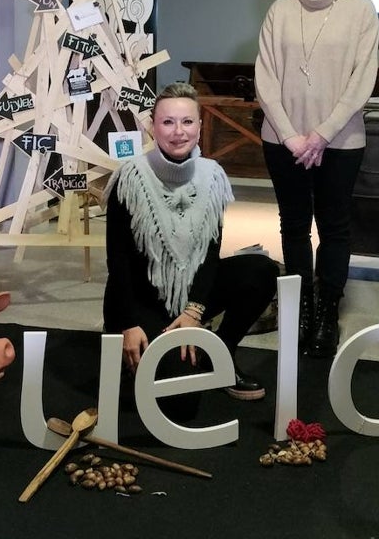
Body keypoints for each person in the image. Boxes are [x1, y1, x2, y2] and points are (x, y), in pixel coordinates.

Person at [103, 82, 279, 415]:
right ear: (153, 126)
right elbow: (118, 261)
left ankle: (220, 353)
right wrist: (128, 324)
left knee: (261, 270)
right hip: (140, 303)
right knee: (181, 405)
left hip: (188, 300)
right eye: (168, 122)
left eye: (187, 122)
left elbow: (210, 254)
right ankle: (139, 352)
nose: (178, 131)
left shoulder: (212, 177)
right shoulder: (129, 178)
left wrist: (193, 312)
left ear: (200, 126)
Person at [254, 0, 379, 359]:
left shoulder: (361, 9)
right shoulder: (279, 11)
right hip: (283, 140)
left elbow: (361, 80)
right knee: (293, 224)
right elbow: (265, 79)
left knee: (334, 226)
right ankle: (301, 305)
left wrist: (321, 135)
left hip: (340, 141)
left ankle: (327, 308)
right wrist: (291, 137)